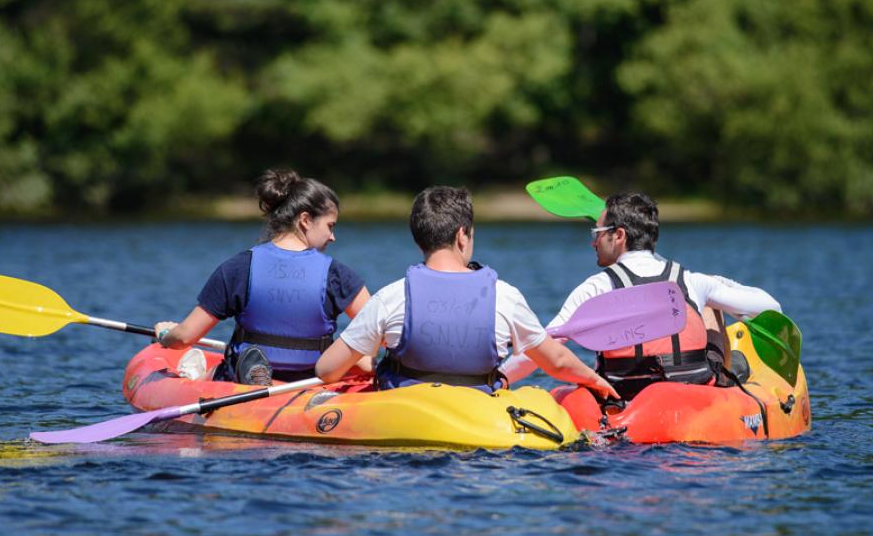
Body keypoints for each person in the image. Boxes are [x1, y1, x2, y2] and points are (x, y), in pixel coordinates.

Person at [315, 185, 618, 399]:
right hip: (480, 418)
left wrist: (367, 360)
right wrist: (597, 381)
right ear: (462, 236)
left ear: (419, 237)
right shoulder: (505, 296)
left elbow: (327, 370)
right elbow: (558, 362)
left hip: (405, 413)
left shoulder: (391, 297)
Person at [531, 191, 782, 400]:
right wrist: (717, 284)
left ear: (619, 235)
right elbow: (771, 307)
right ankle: (726, 377)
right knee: (708, 307)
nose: (593, 243)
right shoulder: (692, 281)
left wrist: (505, 379)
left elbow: (539, 345)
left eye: (596, 234)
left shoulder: (596, 287)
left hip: (624, 395)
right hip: (694, 389)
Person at [154, 168, 370, 386]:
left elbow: (185, 337)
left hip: (243, 384)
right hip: (310, 383)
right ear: (305, 220)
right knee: (361, 363)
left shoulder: (239, 268)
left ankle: (246, 374)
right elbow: (382, 329)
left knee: (208, 374)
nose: (332, 237)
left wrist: (165, 335)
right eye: (330, 226)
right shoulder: (338, 275)